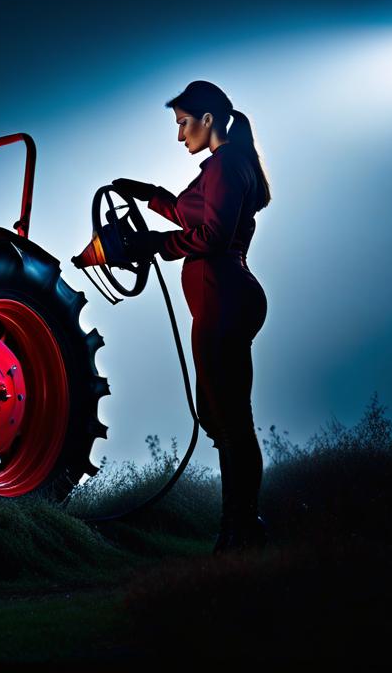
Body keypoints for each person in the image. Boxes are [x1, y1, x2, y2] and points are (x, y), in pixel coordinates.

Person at [112, 80, 273, 553]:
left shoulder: (226, 167)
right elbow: (193, 216)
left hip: (223, 297)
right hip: (222, 298)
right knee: (224, 418)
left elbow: (213, 236)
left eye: (183, 124)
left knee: (229, 419)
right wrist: (150, 195)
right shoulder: (224, 167)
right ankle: (243, 524)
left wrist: (152, 245)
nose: (180, 135)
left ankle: (237, 529)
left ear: (207, 120)